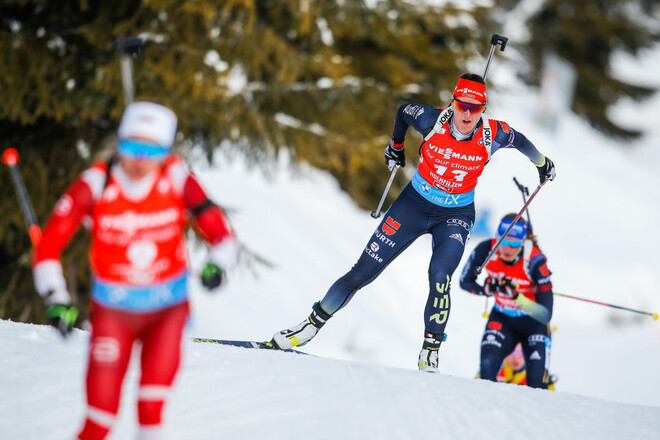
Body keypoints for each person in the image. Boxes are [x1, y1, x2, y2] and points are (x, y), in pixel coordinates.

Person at [270, 73, 556, 372]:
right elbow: (404, 111)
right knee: (362, 272)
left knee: (440, 275)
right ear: (453, 103)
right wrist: (395, 146)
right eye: (462, 105)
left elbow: (521, 141)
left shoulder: (494, 134)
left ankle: (430, 353)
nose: (468, 113)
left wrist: (541, 163)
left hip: (455, 216)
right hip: (414, 205)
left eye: (476, 107)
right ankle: (308, 327)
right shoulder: (431, 120)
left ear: (484, 108)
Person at [32, 102, 240, 439]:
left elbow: (223, 237)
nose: (140, 161)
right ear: (119, 144)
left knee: (151, 412)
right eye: (131, 148)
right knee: (99, 419)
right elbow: (47, 248)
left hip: (167, 314)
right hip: (113, 313)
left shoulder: (176, 177)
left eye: (152, 150)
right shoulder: (96, 183)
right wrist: (56, 296)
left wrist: (218, 264)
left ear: (167, 151)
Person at [460, 213, 553, 388]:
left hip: (532, 323)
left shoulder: (534, 260)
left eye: (514, 244)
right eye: (503, 242)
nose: (507, 249)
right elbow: (465, 282)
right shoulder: (486, 249)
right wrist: (486, 290)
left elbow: (545, 315)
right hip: (502, 318)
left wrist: (516, 297)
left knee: (537, 385)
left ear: (523, 242)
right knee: (487, 369)